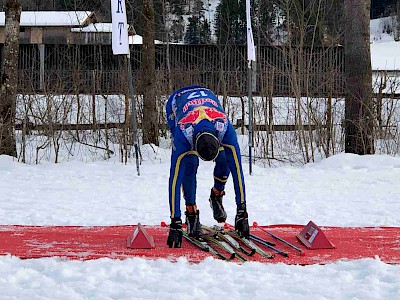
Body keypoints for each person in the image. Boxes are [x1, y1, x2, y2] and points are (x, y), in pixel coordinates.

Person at [165, 85, 249, 248]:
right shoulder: (183, 135)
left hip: (208, 105)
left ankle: (217, 194)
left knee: (225, 158)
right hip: (177, 103)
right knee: (189, 163)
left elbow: (237, 170)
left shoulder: (225, 129)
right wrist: (175, 221)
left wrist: (242, 211)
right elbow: (174, 179)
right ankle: (191, 212)